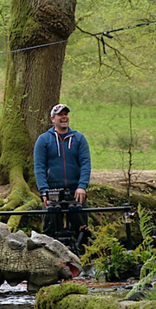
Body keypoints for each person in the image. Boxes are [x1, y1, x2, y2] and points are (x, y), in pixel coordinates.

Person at [33, 104, 91, 249]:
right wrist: (44, 191)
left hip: (75, 191)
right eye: (60, 115)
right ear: (53, 119)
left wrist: (82, 186)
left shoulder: (79, 139)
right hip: (52, 191)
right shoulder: (43, 140)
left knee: (82, 231)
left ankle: (83, 256)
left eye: (66, 114)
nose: (64, 117)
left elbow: (85, 164)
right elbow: (39, 167)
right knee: (50, 230)